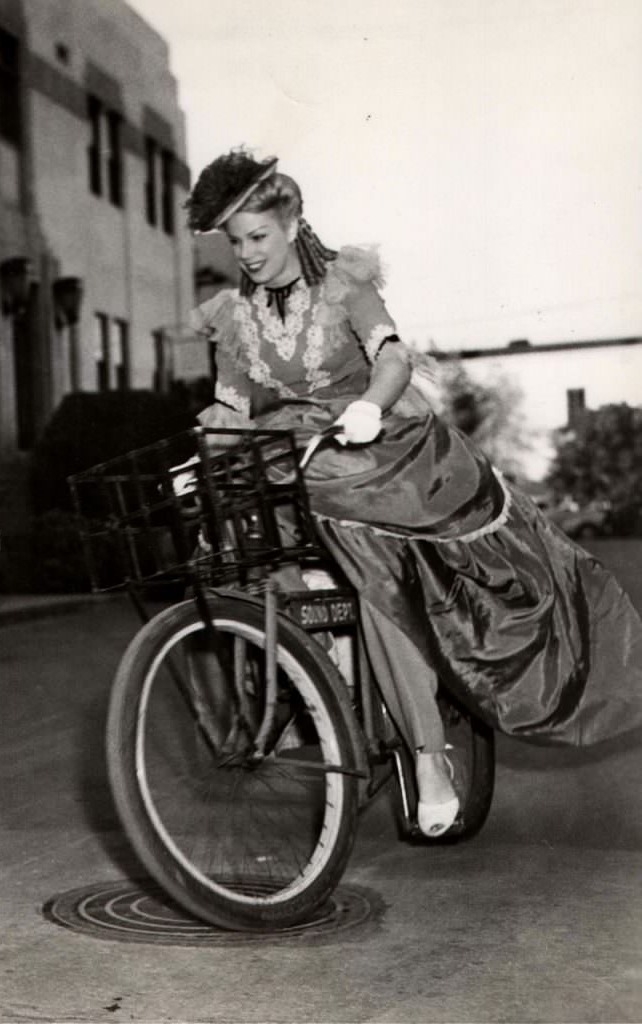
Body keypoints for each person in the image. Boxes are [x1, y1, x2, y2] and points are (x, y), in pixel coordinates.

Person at [185, 148, 642, 837]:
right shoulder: (233, 319)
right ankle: (306, 685)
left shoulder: (343, 283)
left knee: (381, 585)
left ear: (292, 223)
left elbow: (392, 355)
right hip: (293, 455)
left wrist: (369, 405)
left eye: (258, 237)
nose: (246, 254)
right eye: (236, 241)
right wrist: (206, 455)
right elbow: (230, 407)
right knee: (233, 532)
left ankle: (429, 757)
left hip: (378, 447)